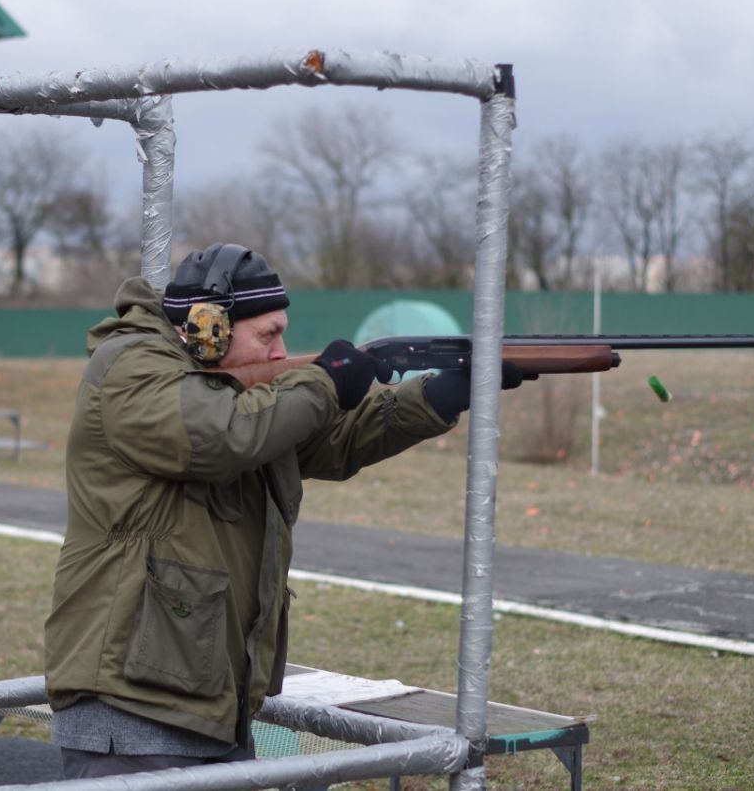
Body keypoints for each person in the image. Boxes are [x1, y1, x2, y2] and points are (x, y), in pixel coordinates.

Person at [45, 242, 524, 780]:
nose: (279, 351)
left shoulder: (233, 398)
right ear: (209, 328)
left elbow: (331, 439)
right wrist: (324, 380)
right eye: (268, 334)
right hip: (132, 712)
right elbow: (223, 435)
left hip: (204, 704)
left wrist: (439, 396)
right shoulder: (131, 367)